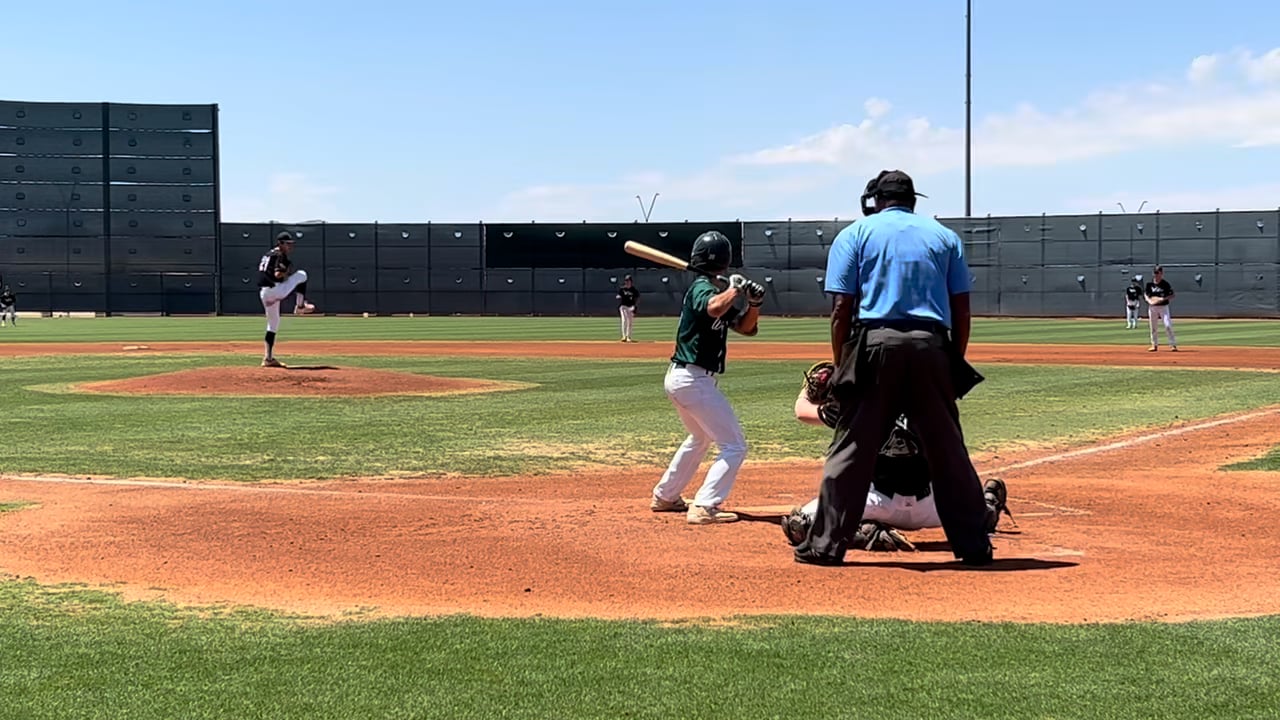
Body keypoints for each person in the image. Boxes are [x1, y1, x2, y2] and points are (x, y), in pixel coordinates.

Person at [793, 169, 994, 566]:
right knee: (948, 450)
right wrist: (953, 357)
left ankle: (825, 546)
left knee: (851, 448)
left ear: (876, 200)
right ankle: (973, 546)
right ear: (913, 200)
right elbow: (962, 308)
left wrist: (840, 367)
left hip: (875, 345)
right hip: (931, 345)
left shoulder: (854, 234)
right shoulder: (944, 237)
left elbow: (840, 310)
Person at [782, 369, 1012, 550]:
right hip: (935, 508)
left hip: (873, 503)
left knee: (801, 526)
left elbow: (802, 411)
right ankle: (986, 507)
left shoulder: (859, 406)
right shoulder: (932, 402)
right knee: (975, 513)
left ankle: (862, 533)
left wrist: (811, 397)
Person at [650, 230, 765, 525]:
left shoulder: (716, 289)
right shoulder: (703, 287)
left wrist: (752, 303)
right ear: (726, 261)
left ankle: (665, 495)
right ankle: (704, 506)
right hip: (692, 379)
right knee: (734, 445)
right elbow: (713, 308)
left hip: (684, 379)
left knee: (700, 437)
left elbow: (746, 328)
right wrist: (735, 289)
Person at [257, 231, 316, 368]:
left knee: (273, 324)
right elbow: (278, 274)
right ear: (280, 243)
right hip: (275, 289)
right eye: (287, 244)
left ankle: (268, 358)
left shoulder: (268, 254)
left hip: (265, 293)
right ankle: (300, 306)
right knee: (302, 274)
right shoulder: (280, 255)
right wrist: (286, 272)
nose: (290, 246)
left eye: (291, 244)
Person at [1144, 266, 1177, 352]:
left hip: (1163, 307)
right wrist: (1149, 301)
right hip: (1152, 308)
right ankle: (1154, 345)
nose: (1156, 275)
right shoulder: (1149, 284)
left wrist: (1163, 299)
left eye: (1158, 273)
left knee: (1167, 325)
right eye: (1155, 273)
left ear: (1161, 273)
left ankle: (1172, 345)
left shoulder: (1165, 284)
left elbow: (1172, 295)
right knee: (1153, 327)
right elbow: (1146, 295)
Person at [616, 274, 640, 342]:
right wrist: (618, 296)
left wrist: (635, 307)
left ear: (631, 281)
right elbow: (618, 295)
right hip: (623, 306)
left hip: (631, 307)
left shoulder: (634, 290)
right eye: (626, 280)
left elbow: (638, 298)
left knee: (630, 322)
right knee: (624, 320)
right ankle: (624, 337)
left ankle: (628, 337)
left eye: (628, 280)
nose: (627, 282)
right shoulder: (622, 289)